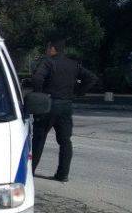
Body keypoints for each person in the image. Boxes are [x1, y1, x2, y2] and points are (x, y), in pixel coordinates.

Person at [31, 40, 98, 182]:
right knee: (65, 141)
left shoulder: (48, 62)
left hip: (48, 105)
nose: (46, 50)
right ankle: (63, 174)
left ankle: (30, 171)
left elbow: (37, 77)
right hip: (66, 105)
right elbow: (92, 78)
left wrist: (39, 93)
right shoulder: (73, 64)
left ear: (53, 49)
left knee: (38, 139)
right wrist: (78, 92)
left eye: (47, 48)